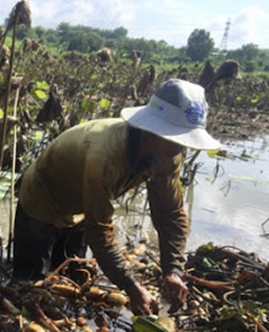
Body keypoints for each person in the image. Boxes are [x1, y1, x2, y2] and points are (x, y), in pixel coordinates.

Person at [13, 78, 221, 316]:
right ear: (152, 132)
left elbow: (171, 216)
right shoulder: (105, 154)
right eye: (176, 138)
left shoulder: (169, 155)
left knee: (71, 279)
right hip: (43, 196)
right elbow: (100, 231)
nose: (181, 148)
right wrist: (131, 287)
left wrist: (173, 270)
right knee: (29, 288)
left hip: (81, 207)